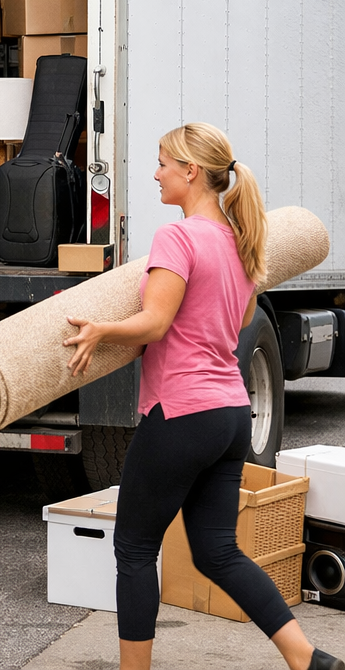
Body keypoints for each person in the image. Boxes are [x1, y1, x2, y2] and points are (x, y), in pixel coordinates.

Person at [63, 123, 343, 670]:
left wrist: (100, 329)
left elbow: (156, 321)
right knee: (217, 549)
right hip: (231, 413)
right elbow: (237, 320)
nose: (156, 173)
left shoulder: (179, 236)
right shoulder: (240, 241)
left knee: (136, 547)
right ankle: (307, 658)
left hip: (182, 413)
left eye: (163, 163)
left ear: (191, 172)